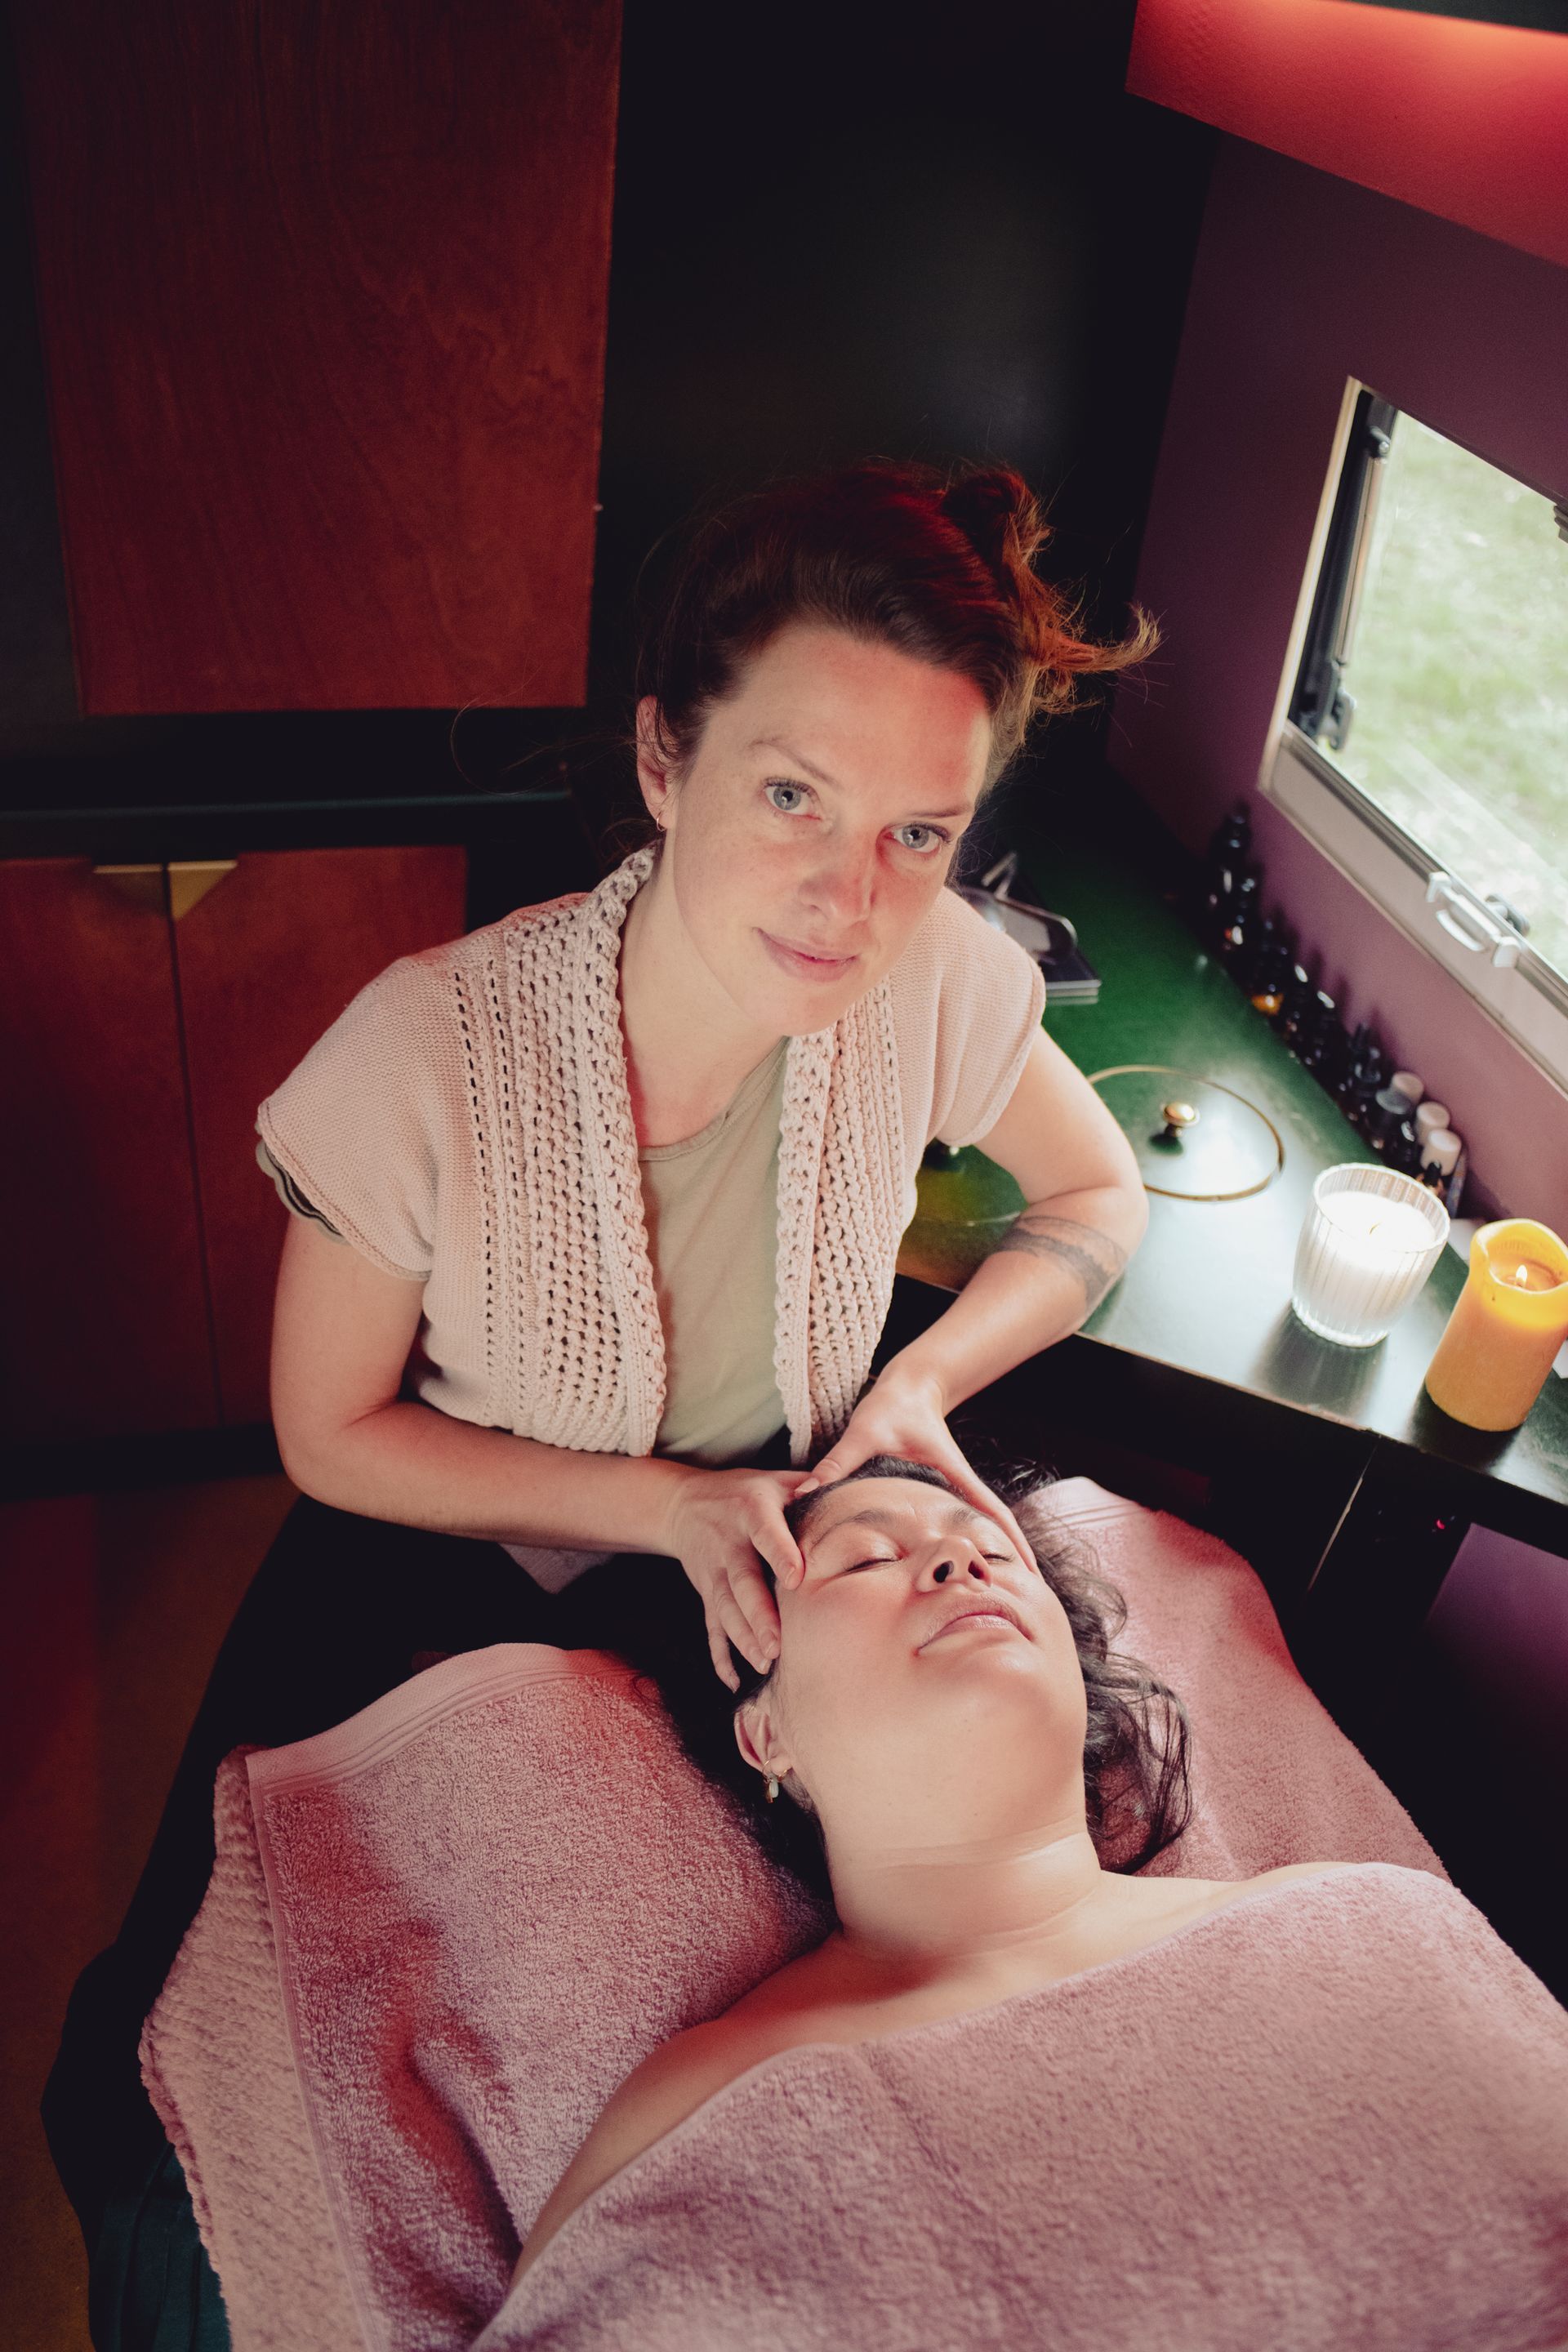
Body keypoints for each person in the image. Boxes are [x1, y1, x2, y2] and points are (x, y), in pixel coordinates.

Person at [46, 457, 1156, 2344]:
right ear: (664, 760)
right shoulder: (424, 1052)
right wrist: (659, 1506)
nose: (850, 899)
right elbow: (330, 1435)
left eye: (918, 833)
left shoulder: (938, 981)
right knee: (198, 2104)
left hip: (779, 1555)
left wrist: (917, 1385)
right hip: (454, 1556)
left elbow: (1098, 1199)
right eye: (793, 796)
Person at [501, 1461, 1568, 2351]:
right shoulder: (710, 2095)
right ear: (765, 1731)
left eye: (996, 1553)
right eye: (866, 1559)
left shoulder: (1360, 1925)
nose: (959, 1561)